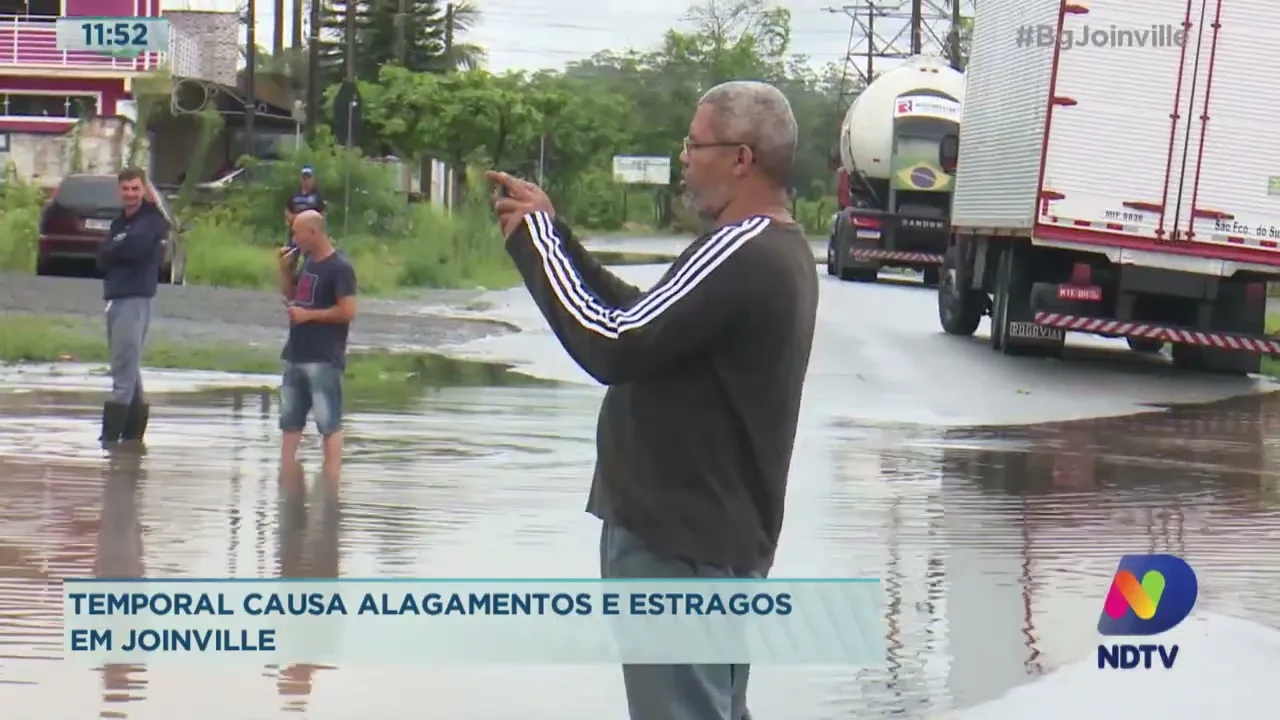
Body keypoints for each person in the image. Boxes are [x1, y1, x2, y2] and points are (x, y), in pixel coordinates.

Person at [488, 80, 818, 720]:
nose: (684, 159)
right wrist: (557, 235)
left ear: (741, 158)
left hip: (680, 550)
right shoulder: (777, 249)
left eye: (695, 145)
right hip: (713, 546)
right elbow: (647, 320)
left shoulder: (739, 249)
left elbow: (613, 343)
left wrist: (535, 246)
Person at [276, 210, 356, 483]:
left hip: (323, 356)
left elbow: (347, 311)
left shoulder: (340, 268)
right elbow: (291, 295)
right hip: (296, 352)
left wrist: (309, 316)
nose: (294, 238)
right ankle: (286, 477)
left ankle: (331, 485)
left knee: (328, 422)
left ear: (313, 233)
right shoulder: (307, 260)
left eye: (298, 233)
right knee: (289, 420)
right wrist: (285, 270)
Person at [97, 167, 168, 445]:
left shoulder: (151, 221)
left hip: (135, 299)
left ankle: (109, 442)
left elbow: (134, 249)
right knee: (130, 369)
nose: (130, 194)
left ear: (144, 191)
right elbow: (101, 259)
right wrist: (116, 250)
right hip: (116, 297)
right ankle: (132, 442)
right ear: (119, 191)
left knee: (122, 372)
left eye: (135, 188)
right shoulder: (118, 224)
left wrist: (115, 250)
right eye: (125, 188)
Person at [284, 165, 326, 253]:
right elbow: (287, 208)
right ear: (300, 179)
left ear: (313, 179)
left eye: (308, 178)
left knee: (310, 257)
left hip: (310, 232)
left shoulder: (317, 195)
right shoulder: (295, 193)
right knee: (291, 255)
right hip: (295, 231)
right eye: (304, 178)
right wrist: (290, 218)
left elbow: (322, 213)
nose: (306, 181)